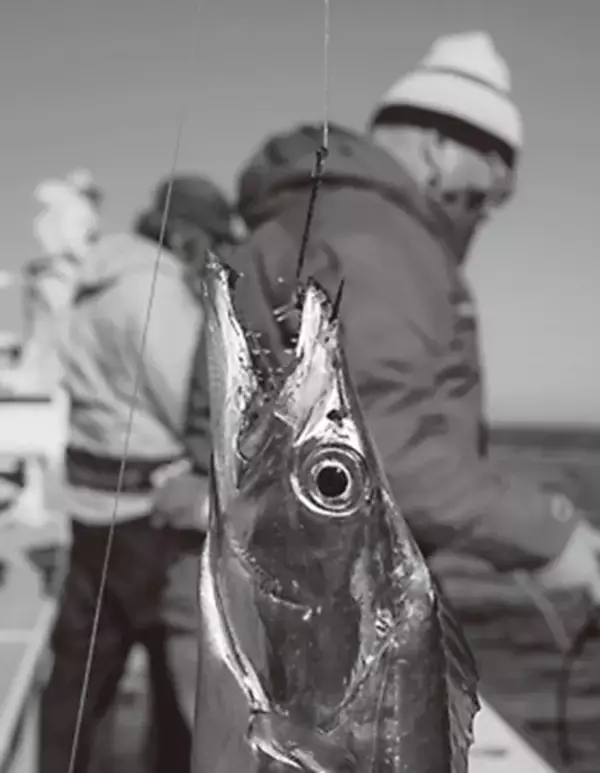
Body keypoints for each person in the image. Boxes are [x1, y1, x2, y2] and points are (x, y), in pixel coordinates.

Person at [219, 31, 600, 602]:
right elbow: (381, 448)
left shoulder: (318, 218)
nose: (487, 211)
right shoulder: (378, 241)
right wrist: (549, 532)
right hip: (322, 599)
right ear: (440, 148)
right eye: (487, 188)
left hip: (274, 576)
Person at [39, 174, 237, 773]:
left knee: (80, 671)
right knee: (176, 670)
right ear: (182, 235)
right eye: (211, 242)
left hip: (90, 503)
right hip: (149, 516)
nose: (217, 257)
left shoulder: (95, 282)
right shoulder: (158, 289)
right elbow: (190, 397)